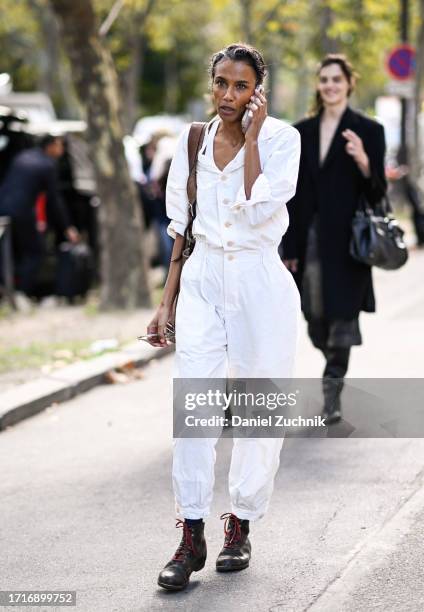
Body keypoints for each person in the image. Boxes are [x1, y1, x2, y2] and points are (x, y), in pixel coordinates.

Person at [144, 43, 301, 591]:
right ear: (211, 84)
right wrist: (166, 302)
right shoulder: (192, 141)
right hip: (204, 279)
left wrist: (253, 139)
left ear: (258, 90)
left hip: (260, 280)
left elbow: (259, 203)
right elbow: (181, 229)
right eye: (221, 83)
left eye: (240, 86)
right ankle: (191, 532)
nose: (228, 95)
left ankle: (241, 520)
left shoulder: (283, 139)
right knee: (194, 405)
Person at [281, 54, 387, 424]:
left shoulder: (369, 131)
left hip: (348, 242)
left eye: (336, 80)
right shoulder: (300, 132)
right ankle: (330, 361)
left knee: (343, 316)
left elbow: (377, 193)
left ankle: (332, 390)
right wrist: (288, 247)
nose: (329, 85)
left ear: (348, 84)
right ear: (318, 84)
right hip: (308, 238)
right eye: (324, 79)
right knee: (313, 316)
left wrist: (363, 161)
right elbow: (292, 195)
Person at [0, 134, 79, 296]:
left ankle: (7, 287)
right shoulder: (47, 165)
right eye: (59, 146)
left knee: (9, 250)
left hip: (3, 207)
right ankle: (21, 293)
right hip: (21, 211)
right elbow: (54, 200)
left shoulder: (23, 156)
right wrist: (67, 227)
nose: (61, 150)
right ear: (49, 146)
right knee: (35, 252)